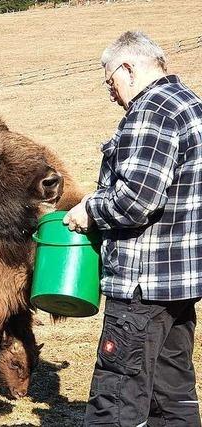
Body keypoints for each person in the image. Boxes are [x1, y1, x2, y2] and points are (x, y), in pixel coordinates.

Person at [64, 31, 202, 426]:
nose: (111, 93)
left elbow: (137, 200)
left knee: (117, 397)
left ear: (128, 66)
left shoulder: (152, 110)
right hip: (178, 285)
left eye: (110, 81)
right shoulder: (191, 105)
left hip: (141, 285)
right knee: (172, 398)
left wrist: (89, 210)